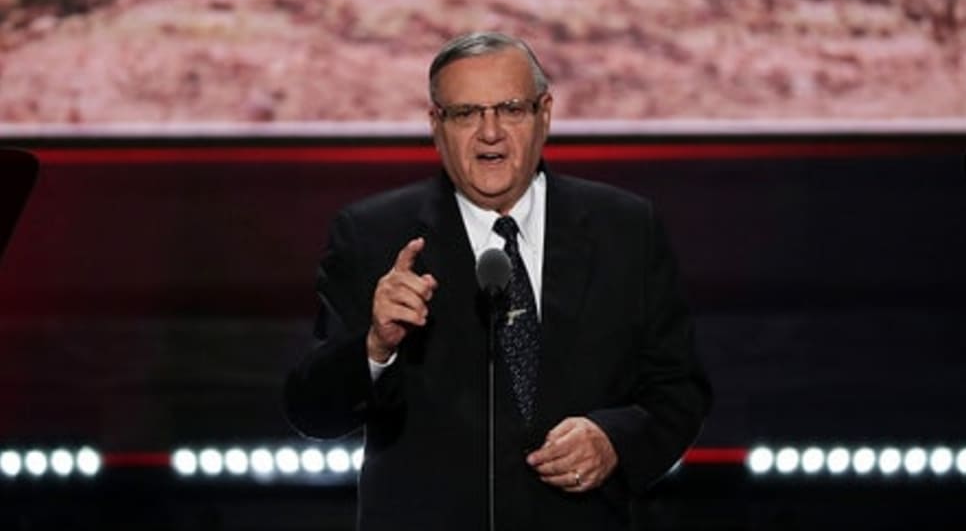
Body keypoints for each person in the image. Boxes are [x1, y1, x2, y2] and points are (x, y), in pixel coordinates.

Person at [284, 31, 711, 531]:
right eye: (466, 113)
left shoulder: (626, 229)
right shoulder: (372, 235)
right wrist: (375, 346)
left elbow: (678, 390)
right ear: (436, 125)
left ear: (544, 114)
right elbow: (313, 412)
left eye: (510, 109)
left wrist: (615, 440)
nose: (490, 133)